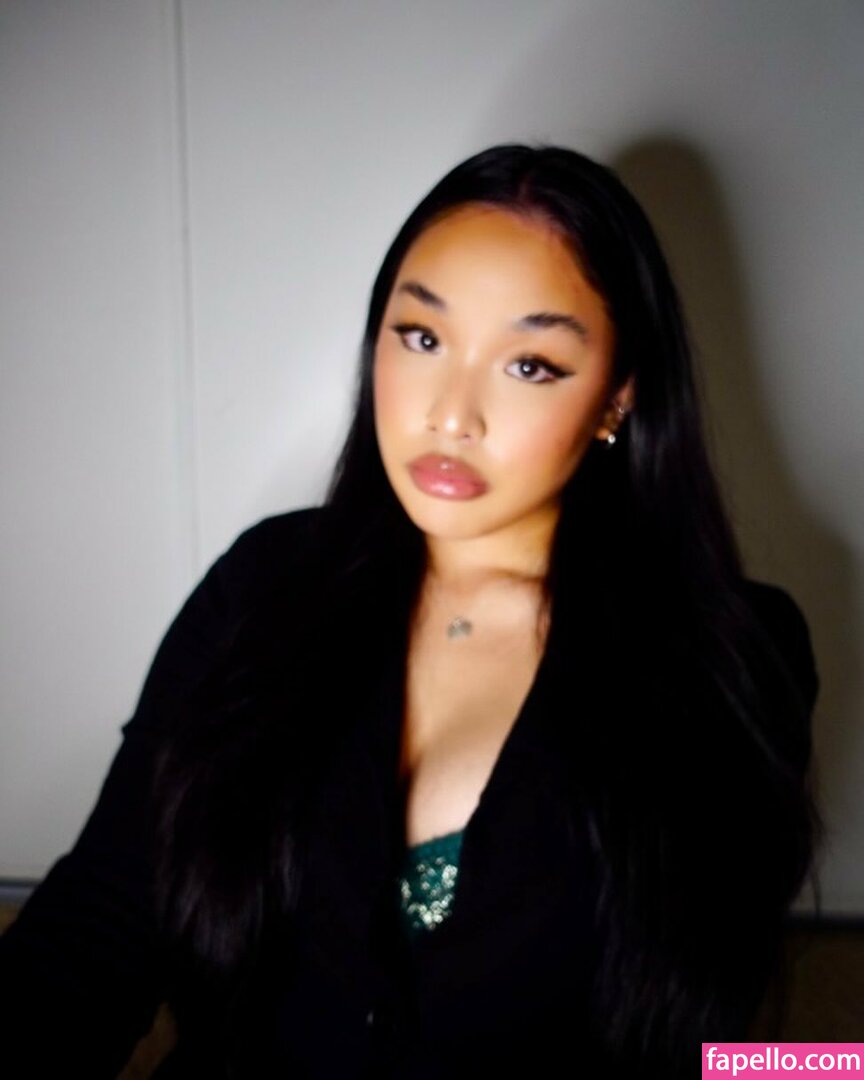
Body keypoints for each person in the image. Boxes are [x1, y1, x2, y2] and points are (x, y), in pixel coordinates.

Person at [0, 145, 818, 1077]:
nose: (452, 414)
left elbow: (713, 1046)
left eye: (531, 364)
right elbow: (99, 929)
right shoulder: (264, 586)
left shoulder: (731, 652)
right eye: (422, 338)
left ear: (618, 398)